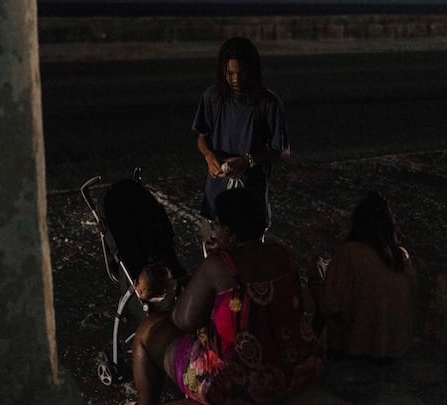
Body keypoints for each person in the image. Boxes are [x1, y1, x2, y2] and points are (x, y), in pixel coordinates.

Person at [130, 188, 322, 405]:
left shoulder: (222, 265)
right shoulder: (282, 254)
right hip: (297, 367)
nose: (215, 232)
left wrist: (210, 265)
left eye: (217, 226)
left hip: (240, 384)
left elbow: (183, 320)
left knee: (147, 332)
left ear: (230, 232)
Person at [308, 191, 417, 385]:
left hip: (356, 361)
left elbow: (331, 306)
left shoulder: (350, 254)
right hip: (396, 355)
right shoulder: (402, 256)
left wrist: (317, 280)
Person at [192, 37, 290, 228]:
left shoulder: (268, 103)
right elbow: (202, 139)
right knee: (215, 256)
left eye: (241, 73)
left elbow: (283, 153)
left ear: (252, 71)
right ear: (222, 71)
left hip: (251, 200)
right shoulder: (212, 97)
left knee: (249, 256)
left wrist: (248, 161)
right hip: (216, 199)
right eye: (230, 73)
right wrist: (208, 156)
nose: (235, 80)